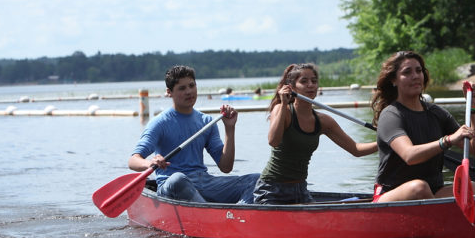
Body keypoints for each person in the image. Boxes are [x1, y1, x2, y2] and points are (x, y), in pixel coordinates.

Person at [370, 51, 475, 203]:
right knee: (419, 188)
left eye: (419, 70)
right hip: (391, 195)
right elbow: (410, 156)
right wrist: (447, 140)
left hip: (432, 192)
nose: (415, 76)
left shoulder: (436, 113)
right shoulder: (391, 115)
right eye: (407, 72)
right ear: (393, 80)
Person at [129, 65, 259, 204]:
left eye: (192, 85)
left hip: (204, 183)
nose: (189, 91)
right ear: (169, 92)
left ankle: (236, 216)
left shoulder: (207, 121)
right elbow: (133, 160)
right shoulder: (159, 123)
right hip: (173, 186)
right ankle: (210, 214)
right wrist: (150, 163)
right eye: (182, 88)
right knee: (177, 179)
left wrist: (229, 129)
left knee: (256, 180)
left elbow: (226, 167)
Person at [253, 63, 377, 205]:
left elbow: (356, 149)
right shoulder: (283, 111)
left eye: (314, 81)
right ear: (291, 87)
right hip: (272, 190)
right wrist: (282, 104)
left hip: (300, 189)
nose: (310, 85)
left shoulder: (324, 121)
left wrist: (385, 141)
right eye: (304, 81)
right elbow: (273, 141)